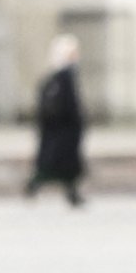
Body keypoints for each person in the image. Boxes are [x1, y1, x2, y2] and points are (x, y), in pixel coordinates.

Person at [26, 33, 86, 205]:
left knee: (67, 167)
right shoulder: (61, 78)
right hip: (60, 132)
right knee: (52, 166)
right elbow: (62, 106)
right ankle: (34, 186)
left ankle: (71, 194)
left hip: (64, 132)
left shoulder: (63, 77)